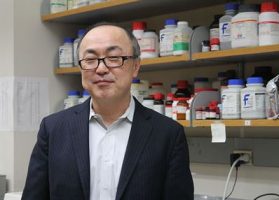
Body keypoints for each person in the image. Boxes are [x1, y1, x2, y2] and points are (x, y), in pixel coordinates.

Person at [22, 22, 194, 200]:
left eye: (114, 58)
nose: (101, 69)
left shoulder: (168, 134)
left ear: (135, 66)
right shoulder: (53, 129)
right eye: (90, 60)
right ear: (81, 68)